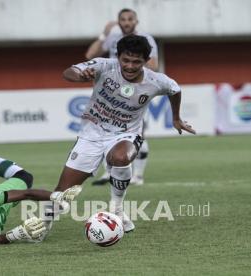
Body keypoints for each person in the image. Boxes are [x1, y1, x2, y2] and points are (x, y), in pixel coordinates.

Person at [43, 35, 195, 235]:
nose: (130, 66)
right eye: (126, 60)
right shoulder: (104, 66)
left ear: (146, 61)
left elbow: (175, 89)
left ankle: (116, 208)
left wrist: (176, 117)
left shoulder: (156, 81)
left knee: (121, 157)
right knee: (62, 191)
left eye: (136, 62)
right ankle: (43, 226)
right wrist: (80, 76)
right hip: (91, 135)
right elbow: (69, 72)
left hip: (126, 134)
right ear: (118, 56)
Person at [86, 8, 158, 186]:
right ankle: (109, 172)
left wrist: (130, 75)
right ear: (119, 22)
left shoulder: (146, 40)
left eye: (130, 19)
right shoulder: (113, 39)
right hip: (110, 93)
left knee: (137, 132)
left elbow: (154, 65)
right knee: (105, 131)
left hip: (135, 91)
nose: (126, 22)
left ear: (136, 21)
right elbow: (89, 56)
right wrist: (104, 34)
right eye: (123, 20)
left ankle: (138, 176)